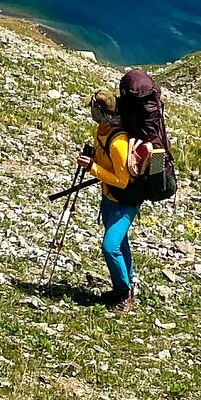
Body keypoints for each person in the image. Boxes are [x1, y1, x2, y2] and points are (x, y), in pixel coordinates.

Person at [80, 89, 140, 312]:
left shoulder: (118, 143)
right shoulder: (102, 131)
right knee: (120, 242)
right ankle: (129, 282)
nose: (91, 112)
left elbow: (122, 180)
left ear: (102, 112)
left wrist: (92, 168)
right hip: (110, 197)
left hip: (124, 201)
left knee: (110, 246)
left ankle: (123, 293)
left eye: (94, 109)